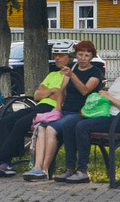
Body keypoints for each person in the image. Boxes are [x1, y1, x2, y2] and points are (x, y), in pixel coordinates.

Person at [0, 42, 74, 177]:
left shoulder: (69, 75)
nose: (57, 58)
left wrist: (49, 91)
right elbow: (37, 96)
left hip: (50, 109)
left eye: (61, 55)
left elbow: (60, 94)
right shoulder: (52, 74)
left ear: (69, 57)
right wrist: (52, 91)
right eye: (55, 55)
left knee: (20, 124)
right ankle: (6, 163)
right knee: (5, 121)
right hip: (39, 105)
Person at [60, 47, 120, 184]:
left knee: (82, 126)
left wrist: (110, 98)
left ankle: (83, 171)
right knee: (69, 123)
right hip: (105, 116)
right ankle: (70, 168)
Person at [24, 39, 105, 182]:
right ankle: (38, 168)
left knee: (50, 129)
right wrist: (58, 108)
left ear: (92, 56)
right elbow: (61, 90)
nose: (83, 58)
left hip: (80, 113)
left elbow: (85, 90)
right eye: (80, 55)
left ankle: (51, 169)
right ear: (76, 55)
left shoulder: (95, 72)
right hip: (65, 112)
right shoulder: (73, 68)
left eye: (86, 55)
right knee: (41, 128)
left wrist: (72, 76)